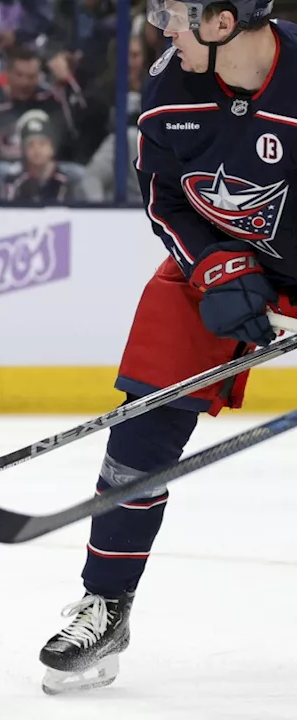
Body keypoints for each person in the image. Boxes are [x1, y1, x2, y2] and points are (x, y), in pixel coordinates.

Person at [37, 0, 297, 695]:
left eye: (176, 15)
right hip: (228, 262)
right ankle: (106, 605)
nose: (162, 29)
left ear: (223, 22)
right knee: (143, 426)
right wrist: (214, 263)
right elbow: (162, 195)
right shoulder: (170, 85)